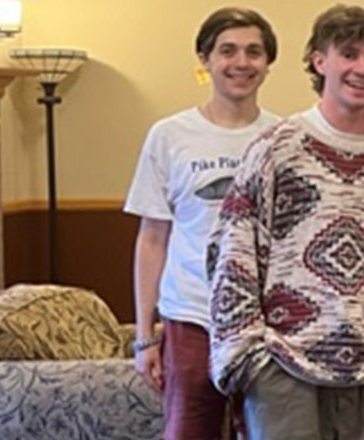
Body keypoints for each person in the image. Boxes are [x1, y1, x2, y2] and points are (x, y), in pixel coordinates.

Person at [208, 5, 364, 440]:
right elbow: (232, 254)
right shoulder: (276, 149)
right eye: (349, 54)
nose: (362, 68)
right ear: (320, 61)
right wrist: (251, 355)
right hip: (285, 367)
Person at [124, 7, 279, 439]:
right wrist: (144, 336)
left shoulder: (283, 138)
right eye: (227, 51)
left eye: (254, 52)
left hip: (266, 320)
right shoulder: (169, 136)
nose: (241, 63)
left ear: (268, 63)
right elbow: (152, 241)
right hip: (191, 316)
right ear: (204, 58)